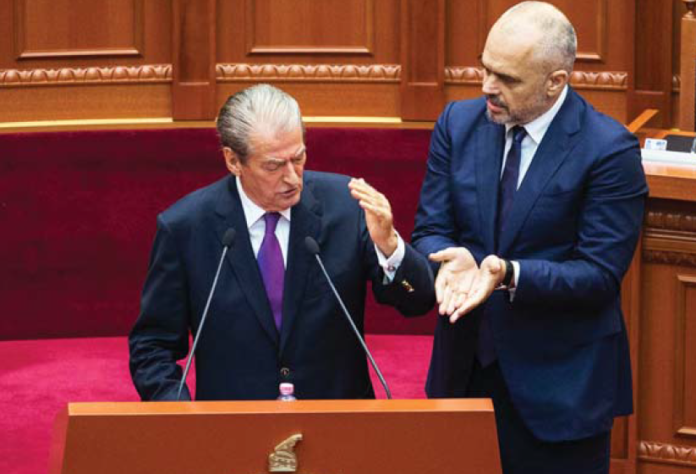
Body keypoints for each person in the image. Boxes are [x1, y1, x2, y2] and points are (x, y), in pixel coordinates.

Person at [411, 2, 647, 473]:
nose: (487, 87)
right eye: (485, 68)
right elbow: (431, 229)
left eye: (507, 78)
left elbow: (599, 274)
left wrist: (509, 274)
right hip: (465, 374)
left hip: (560, 388)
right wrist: (446, 259)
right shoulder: (457, 124)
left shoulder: (608, 150)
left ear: (555, 82)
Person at [129, 84, 434, 401]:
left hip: (338, 420)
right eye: (273, 165)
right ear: (233, 161)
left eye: (298, 158)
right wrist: (182, 414)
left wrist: (389, 246)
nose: (292, 177)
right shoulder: (186, 228)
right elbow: (151, 346)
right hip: (233, 423)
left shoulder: (348, 206)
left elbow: (419, 302)